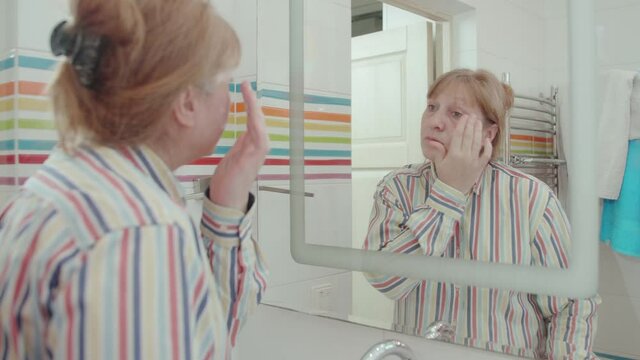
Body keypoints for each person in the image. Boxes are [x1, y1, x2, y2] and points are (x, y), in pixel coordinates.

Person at [0, 0, 269, 359]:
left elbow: (194, 333)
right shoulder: (137, 231)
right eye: (226, 82)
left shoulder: (65, 186)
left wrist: (228, 200)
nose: (230, 97)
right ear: (187, 102)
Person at [363, 69, 600, 359]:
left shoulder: (531, 198)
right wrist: (450, 190)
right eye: (432, 107)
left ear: (489, 133)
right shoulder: (396, 188)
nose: (435, 122)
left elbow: (571, 304)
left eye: (456, 114)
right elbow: (385, 280)